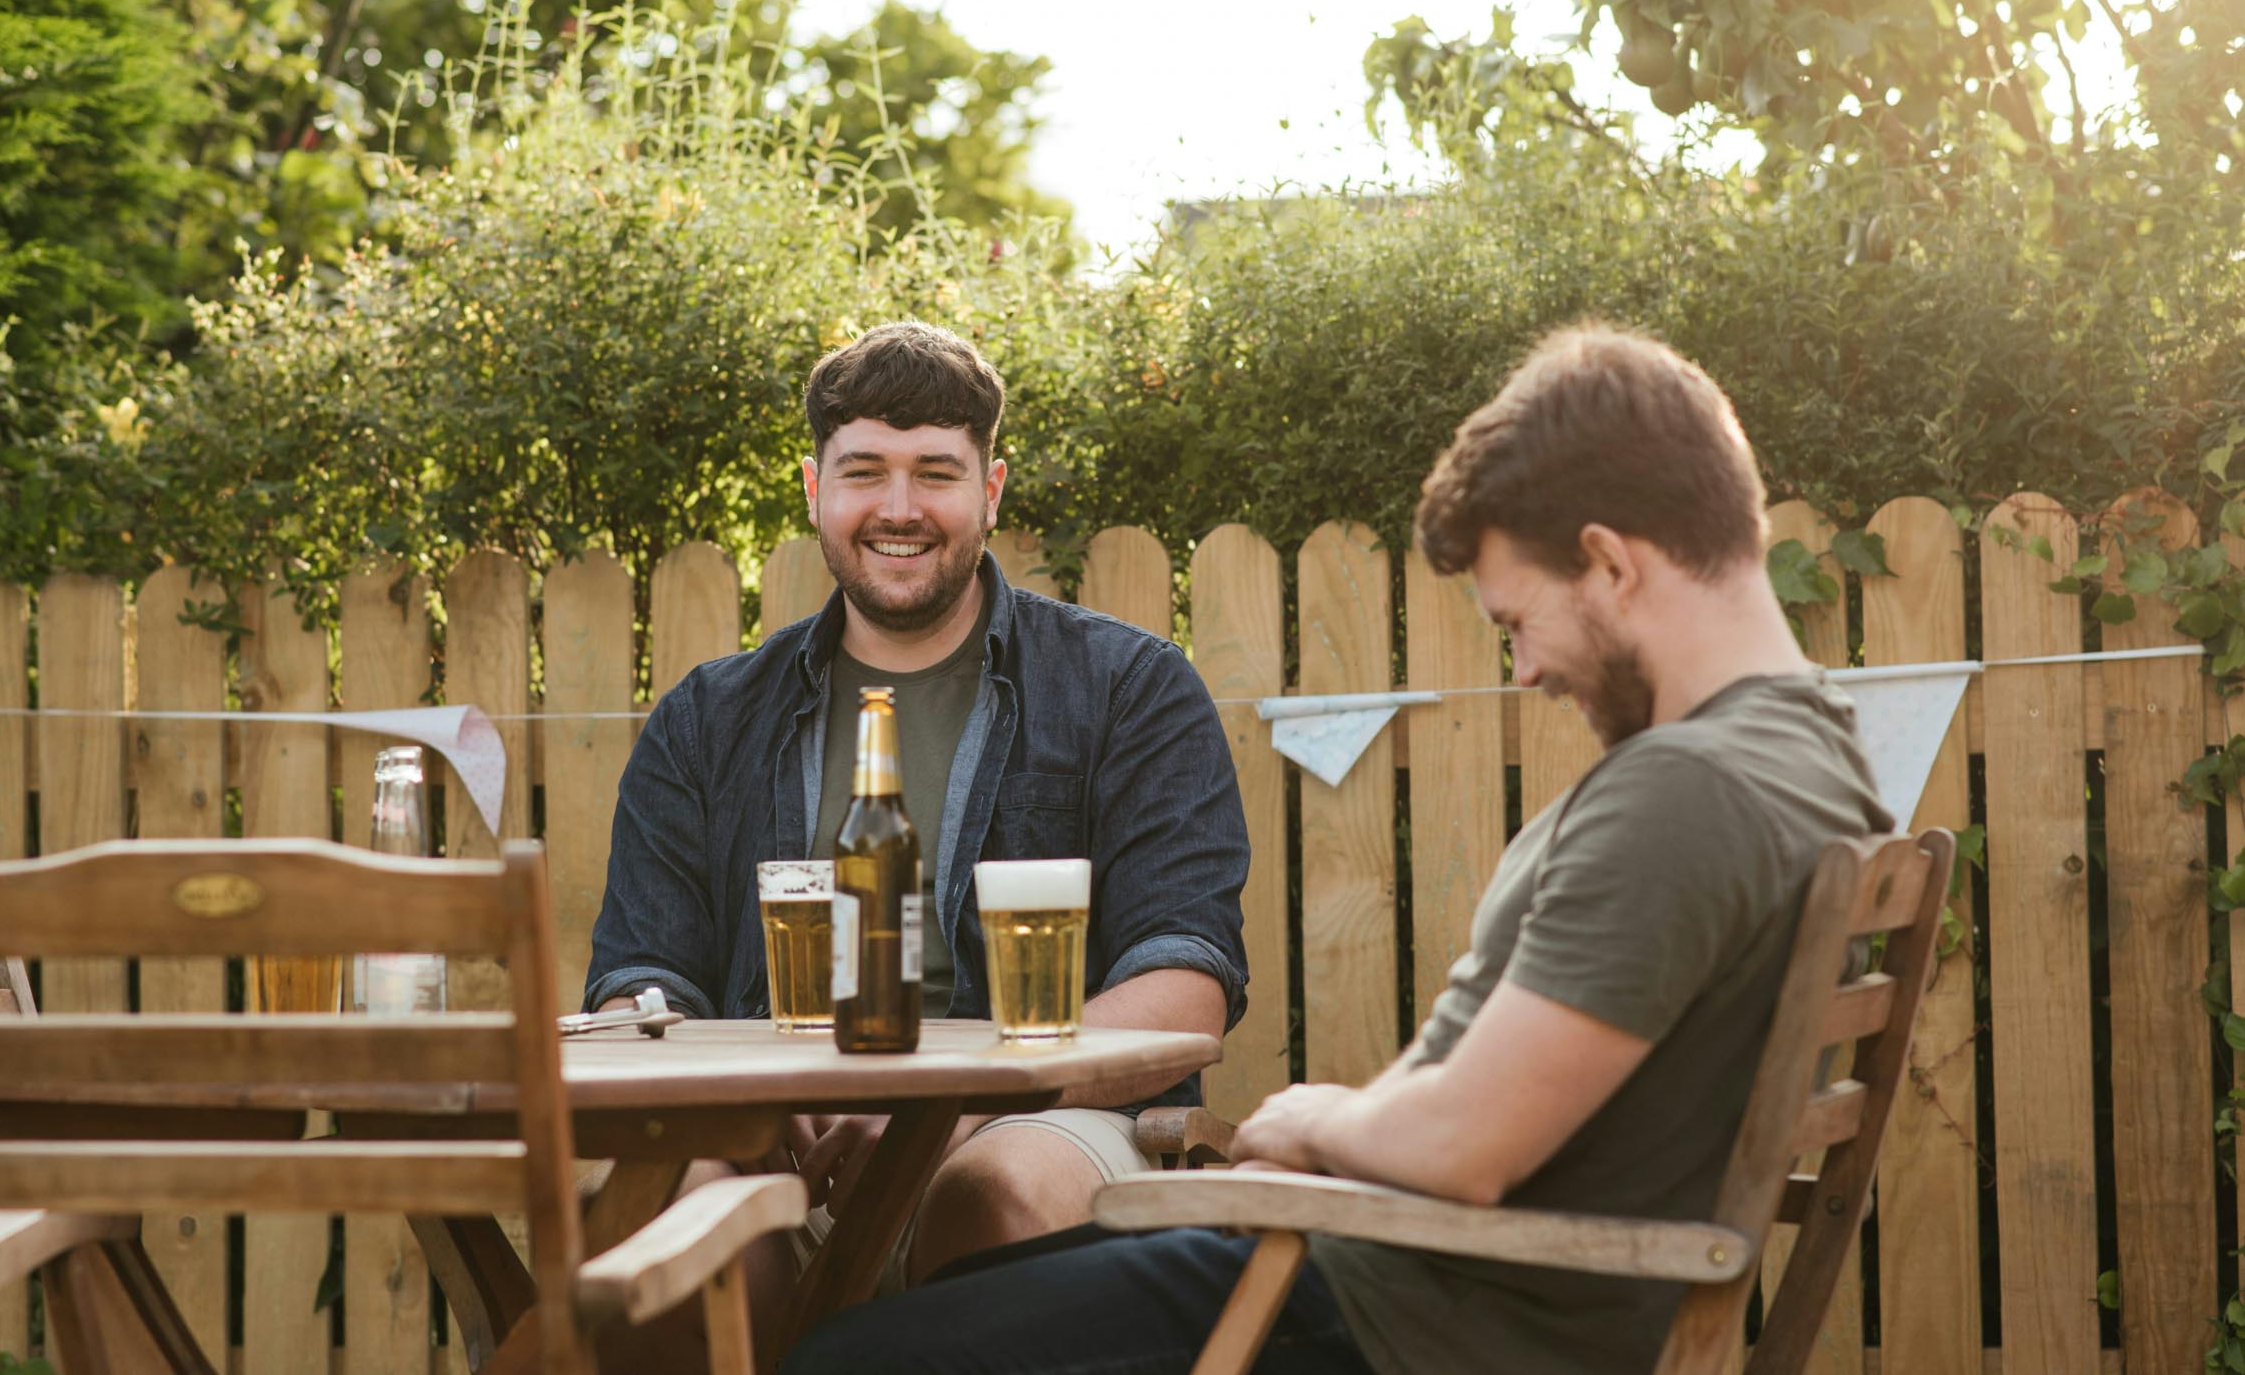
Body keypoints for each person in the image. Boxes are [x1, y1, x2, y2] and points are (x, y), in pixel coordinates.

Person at [782, 324, 1895, 1375]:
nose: (1525, 672)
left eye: (1515, 621)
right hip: (1410, 1282)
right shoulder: (1812, 760)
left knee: (850, 1359)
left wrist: (1316, 1118)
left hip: (1402, 1322)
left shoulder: (1687, 792)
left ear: (1608, 562)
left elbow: (1465, 1143)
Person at [584, 321, 1249, 1309]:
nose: (898, 508)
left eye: (935, 472)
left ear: (991, 489)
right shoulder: (705, 719)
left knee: (994, 1196)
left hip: (1026, 1119)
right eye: (864, 472)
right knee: (655, 1215)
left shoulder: (1127, 689)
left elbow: (1185, 983)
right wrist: (747, 1108)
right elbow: (636, 989)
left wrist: (945, 1103)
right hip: (770, 1142)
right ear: (816, 492)